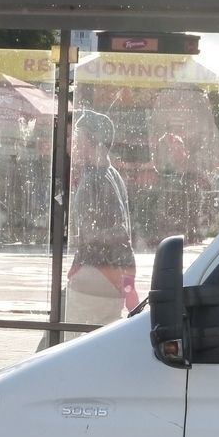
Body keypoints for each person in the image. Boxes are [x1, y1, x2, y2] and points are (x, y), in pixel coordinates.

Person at [65, 111, 138, 337]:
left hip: (94, 281)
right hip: (109, 281)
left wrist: (79, 264)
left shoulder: (94, 181)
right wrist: (127, 286)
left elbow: (102, 237)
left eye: (78, 138)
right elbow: (121, 237)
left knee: (65, 347)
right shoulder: (111, 175)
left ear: (93, 141)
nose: (73, 144)